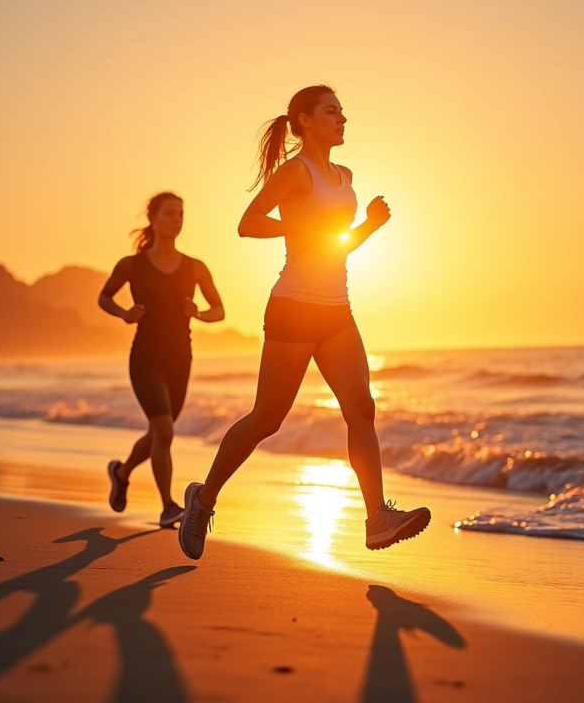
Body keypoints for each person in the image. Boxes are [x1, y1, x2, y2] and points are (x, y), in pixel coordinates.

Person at [178, 85, 430, 560]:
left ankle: (377, 518)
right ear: (305, 120)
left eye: (343, 111)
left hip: (337, 309)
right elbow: (248, 223)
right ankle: (203, 499)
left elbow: (331, 245)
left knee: (361, 408)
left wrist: (370, 226)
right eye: (332, 111)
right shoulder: (296, 171)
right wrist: (296, 226)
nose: (342, 118)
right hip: (293, 306)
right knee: (267, 420)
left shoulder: (344, 175)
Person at [99, 191, 224, 527]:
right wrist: (125, 314)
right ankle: (168, 506)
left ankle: (121, 473)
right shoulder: (131, 265)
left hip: (180, 361)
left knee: (159, 433)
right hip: (144, 359)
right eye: (170, 213)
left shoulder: (195, 267)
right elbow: (104, 297)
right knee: (164, 430)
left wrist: (199, 312)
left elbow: (219, 310)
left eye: (181, 214)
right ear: (153, 218)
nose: (177, 219)